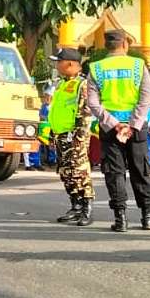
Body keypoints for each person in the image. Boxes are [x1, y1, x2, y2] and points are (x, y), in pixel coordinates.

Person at [86, 29, 150, 232]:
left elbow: (93, 103)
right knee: (140, 170)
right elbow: (146, 97)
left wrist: (114, 124)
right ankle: (147, 217)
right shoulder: (138, 65)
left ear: (107, 46)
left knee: (114, 173)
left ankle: (120, 219)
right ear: (125, 44)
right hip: (137, 128)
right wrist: (133, 124)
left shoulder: (96, 68)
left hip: (110, 129)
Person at [47, 48, 95, 226]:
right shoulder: (61, 83)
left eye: (59, 62)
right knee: (66, 172)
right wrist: (53, 132)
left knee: (79, 171)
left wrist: (79, 136)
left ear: (70, 64)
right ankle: (75, 206)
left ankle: (86, 208)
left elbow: (85, 112)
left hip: (74, 136)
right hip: (61, 134)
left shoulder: (82, 84)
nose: (57, 65)